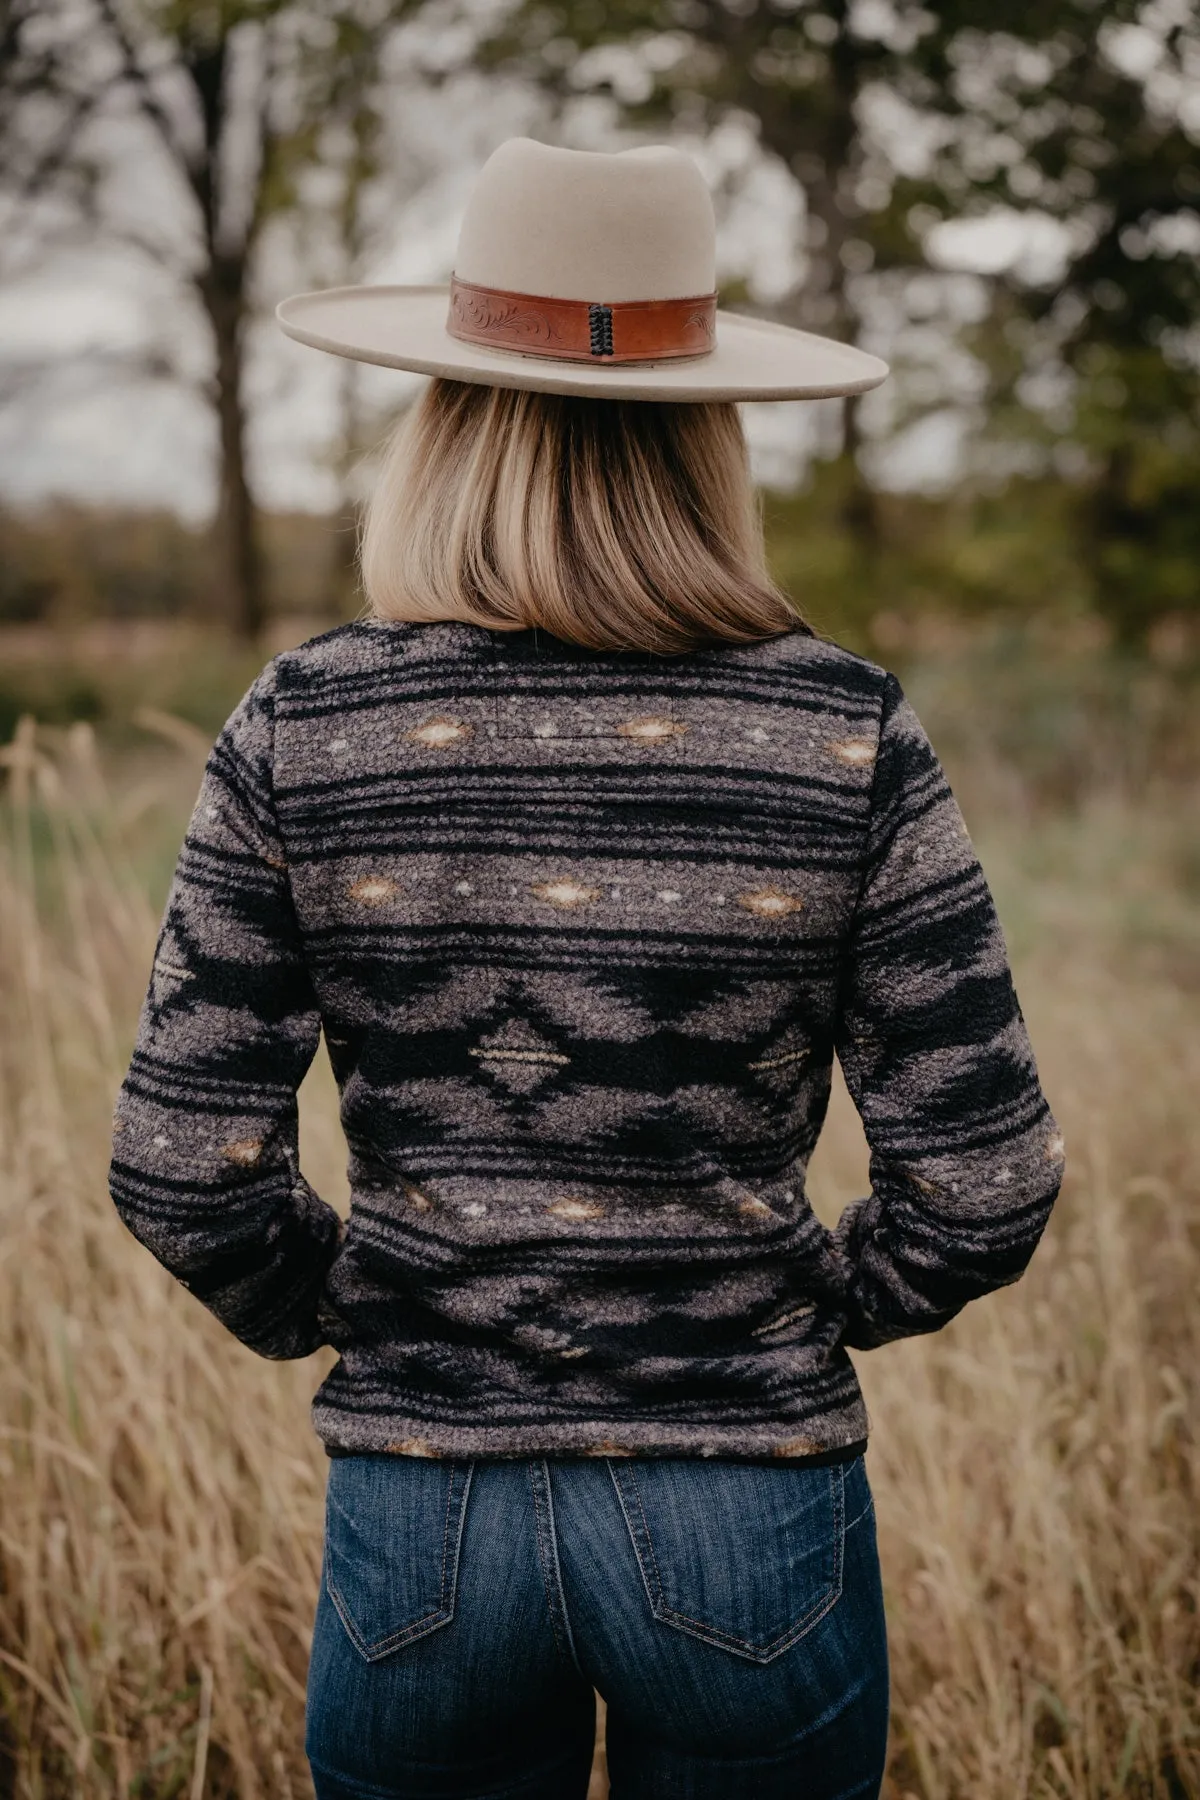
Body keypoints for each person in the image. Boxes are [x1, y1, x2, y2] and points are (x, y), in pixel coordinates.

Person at [109, 137, 1065, 1800]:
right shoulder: (841, 733)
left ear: (445, 420)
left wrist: (360, 1304)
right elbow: (985, 1184)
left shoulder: (307, 723)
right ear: (712, 435)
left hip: (425, 1516)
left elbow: (184, 1170)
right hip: (751, 1511)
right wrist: (802, 1303)